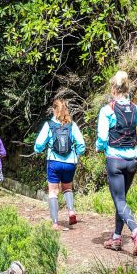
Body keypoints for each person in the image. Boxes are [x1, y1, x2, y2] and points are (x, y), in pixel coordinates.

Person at [96, 70, 137, 255]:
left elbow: (102, 137)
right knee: (121, 200)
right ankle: (116, 237)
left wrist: (100, 147)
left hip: (115, 160)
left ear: (113, 89)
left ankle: (136, 232)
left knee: (119, 199)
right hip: (132, 161)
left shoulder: (108, 110)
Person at [34, 98, 86, 229]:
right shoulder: (72, 125)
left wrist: (38, 150)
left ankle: (55, 222)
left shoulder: (49, 125)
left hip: (54, 162)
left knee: (53, 192)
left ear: (53, 110)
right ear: (66, 110)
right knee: (67, 188)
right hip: (70, 163)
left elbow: (39, 145)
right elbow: (81, 145)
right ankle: (71, 211)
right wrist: (76, 155)